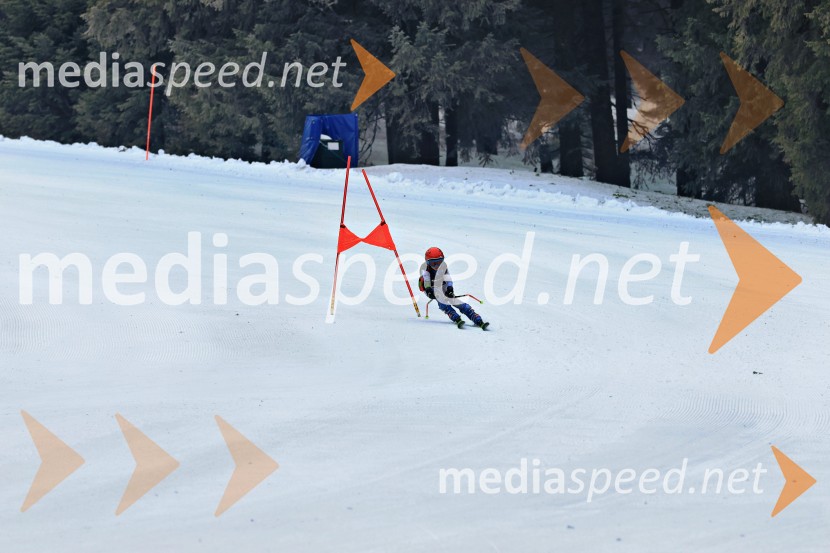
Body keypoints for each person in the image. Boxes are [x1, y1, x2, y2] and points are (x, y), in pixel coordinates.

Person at [419, 247, 489, 329]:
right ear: (427, 262)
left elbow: (448, 278)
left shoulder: (443, 266)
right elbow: (426, 280)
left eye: (439, 262)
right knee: (442, 301)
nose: (437, 266)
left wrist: (450, 288)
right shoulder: (425, 268)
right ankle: (454, 315)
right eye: (433, 263)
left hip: (442, 284)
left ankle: (475, 317)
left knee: (454, 300)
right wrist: (428, 290)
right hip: (431, 288)